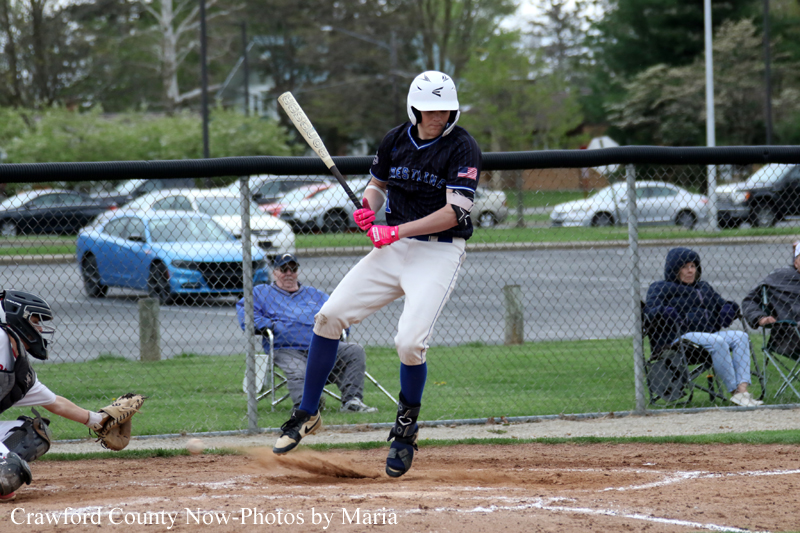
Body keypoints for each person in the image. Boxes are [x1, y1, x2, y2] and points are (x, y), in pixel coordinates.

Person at [271, 70, 482, 478]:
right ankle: (307, 413)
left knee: (409, 343)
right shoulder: (394, 139)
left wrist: (394, 229)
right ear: (414, 108)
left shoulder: (463, 147)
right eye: (430, 109)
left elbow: (455, 211)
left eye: (445, 109)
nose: (438, 116)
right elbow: (377, 185)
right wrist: (367, 206)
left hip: (438, 253)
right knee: (328, 317)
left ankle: (405, 430)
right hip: (392, 250)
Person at [0, 290, 117, 501]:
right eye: (35, 322)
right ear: (17, 318)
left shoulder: (17, 365)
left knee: (32, 435)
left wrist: (100, 421)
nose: (40, 329)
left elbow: (54, 403)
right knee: (7, 465)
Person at [235, 253, 377, 413]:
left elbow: (338, 313)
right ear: (274, 272)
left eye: (293, 268)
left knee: (354, 350)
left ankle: (352, 402)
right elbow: (247, 316)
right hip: (287, 348)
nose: (288, 273)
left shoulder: (315, 295)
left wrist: (337, 329)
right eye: (283, 269)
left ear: (297, 271)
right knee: (297, 370)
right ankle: (308, 407)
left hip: (322, 345)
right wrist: (274, 326)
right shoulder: (261, 293)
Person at [645, 247, 762, 407]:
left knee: (741, 336)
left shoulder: (703, 287)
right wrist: (665, 312)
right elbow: (649, 313)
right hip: (679, 340)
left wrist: (729, 308)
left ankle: (743, 392)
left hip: (707, 337)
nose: (690, 271)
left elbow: (722, 304)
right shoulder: (659, 287)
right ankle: (734, 392)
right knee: (717, 341)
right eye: (685, 267)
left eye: (693, 266)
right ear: (674, 269)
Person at [742, 242, 800, 328]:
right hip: (789, 332)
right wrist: (760, 318)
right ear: (796, 262)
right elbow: (750, 300)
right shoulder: (782, 277)